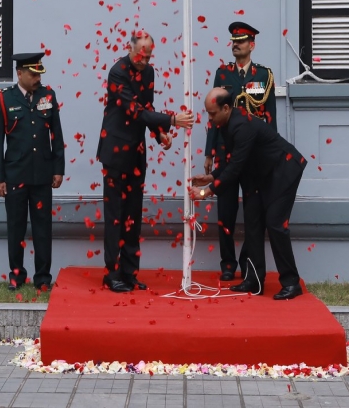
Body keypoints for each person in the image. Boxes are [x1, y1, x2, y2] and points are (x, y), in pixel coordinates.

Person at [97, 31, 194, 292]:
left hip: (137, 154)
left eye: (148, 57)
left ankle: (129, 272)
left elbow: (147, 107)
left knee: (133, 216)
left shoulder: (149, 73)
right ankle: (112, 273)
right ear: (130, 49)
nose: (144, 61)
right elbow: (134, 110)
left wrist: (159, 133)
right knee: (115, 216)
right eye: (141, 56)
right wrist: (172, 121)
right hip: (116, 153)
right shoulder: (117, 72)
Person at [191, 87, 306, 300]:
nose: (210, 118)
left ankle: (291, 283)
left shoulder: (241, 125)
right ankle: (253, 280)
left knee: (275, 224)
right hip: (259, 175)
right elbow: (231, 159)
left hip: (283, 169)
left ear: (226, 108)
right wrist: (213, 176)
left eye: (213, 113)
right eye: (208, 113)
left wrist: (208, 191)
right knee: (252, 222)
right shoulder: (227, 123)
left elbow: (235, 166)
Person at [204, 21, 277, 281]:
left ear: (251, 45)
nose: (236, 44)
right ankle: (227, 263)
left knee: (253, 211)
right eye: (234, 40)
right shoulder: (222, 75)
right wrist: (209, 152)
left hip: (253, 154)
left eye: (242, 40)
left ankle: (248, 261)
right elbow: (214, 114)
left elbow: (270, 117)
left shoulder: (263, 75)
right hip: (226, 151)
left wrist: (270, 157)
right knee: (225, 210)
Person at [0, 52, 65, 291]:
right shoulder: (5, 99)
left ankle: (43, 277)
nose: (37, 78)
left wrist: (58, 169)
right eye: (33, 74)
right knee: (16, 227)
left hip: (42, 174)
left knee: (43, 227)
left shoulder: (48, 96)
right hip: (15, 175)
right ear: (20, 73)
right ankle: (17, 275)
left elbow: (57, 135)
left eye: (39, 74)